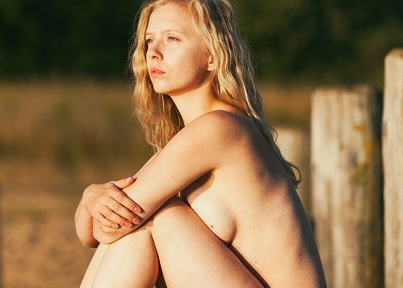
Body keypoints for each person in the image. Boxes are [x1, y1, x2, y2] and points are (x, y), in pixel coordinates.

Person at [73, 0, 326, 286]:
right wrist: (91, 197)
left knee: (155, 218)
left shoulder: (220, 129)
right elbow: (90, 234)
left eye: (172, 39)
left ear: (212, 57)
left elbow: (110, 229)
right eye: (149, 40)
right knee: (145, 217)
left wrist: (98, 207)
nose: (153, 53)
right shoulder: (185, 142)